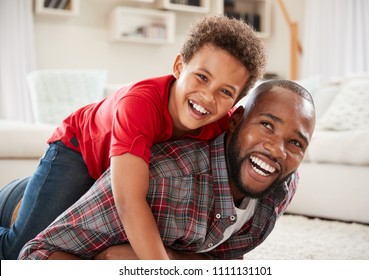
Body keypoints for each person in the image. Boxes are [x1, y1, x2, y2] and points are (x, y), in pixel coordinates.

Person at [0, 15, 267, 260]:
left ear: (237, 100)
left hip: (120, 175)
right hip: (79, 152)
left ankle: (29, 193)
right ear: (178, 66)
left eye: (225, 92)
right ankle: (17, 196)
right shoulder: (138, 105)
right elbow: (129, 202)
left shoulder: (223, 123)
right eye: (201, 77)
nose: (208, 97)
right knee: (18, 253)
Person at [18, 80, 316, 260]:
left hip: (104, 179)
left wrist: (171, 258)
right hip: (72, 154)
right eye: (266, 125)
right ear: (235, 120)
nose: (277, 150)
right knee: (13, 248)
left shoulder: (282, 185)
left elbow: (225, 262)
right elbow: (35, 256)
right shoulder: (163, 177)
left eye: (295, 143)